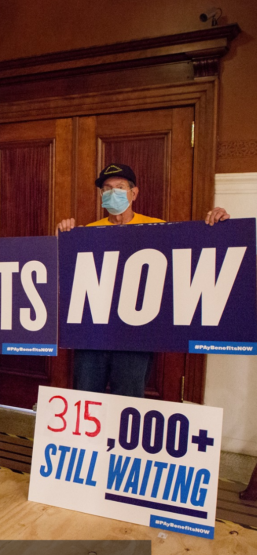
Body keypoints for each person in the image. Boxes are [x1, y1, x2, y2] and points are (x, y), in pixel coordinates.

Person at [56, 163, 231, 397]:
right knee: (86, 399)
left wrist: (219, 225)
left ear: (134, 193)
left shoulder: (156, 228)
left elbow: (193, 259)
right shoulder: (87, 232)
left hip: (135, 338)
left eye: (119, 187)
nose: (112, 193)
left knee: (128, 402)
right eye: (107, 189)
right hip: (92, 338)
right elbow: (64, 277)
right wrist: (64, 238)